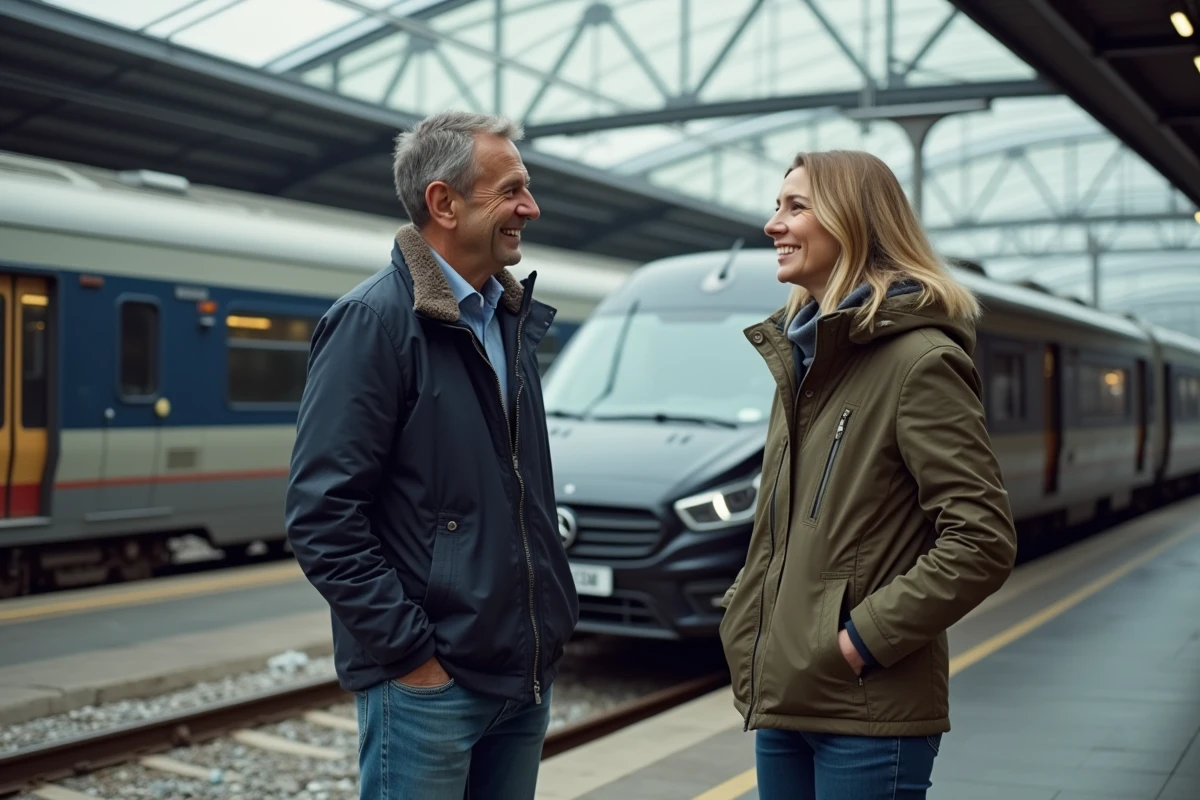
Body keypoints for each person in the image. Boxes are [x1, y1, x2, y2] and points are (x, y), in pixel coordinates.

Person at [285, 110, 579, 799]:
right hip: (431, 685)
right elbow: (322, 517)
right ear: (443, 202)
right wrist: (410, 654)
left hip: (521, 673)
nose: (529, 209)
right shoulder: (372, 322)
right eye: (510, 190)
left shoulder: (508, 322)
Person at [717, 149, 1017, 800]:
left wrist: (859, 642)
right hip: (786, 696)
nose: (774, 224)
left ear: (854, 221)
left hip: (866, 708)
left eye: (796, 207)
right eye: (777, 205)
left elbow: (982, 539)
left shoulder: (919, 362)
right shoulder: (800, 360)